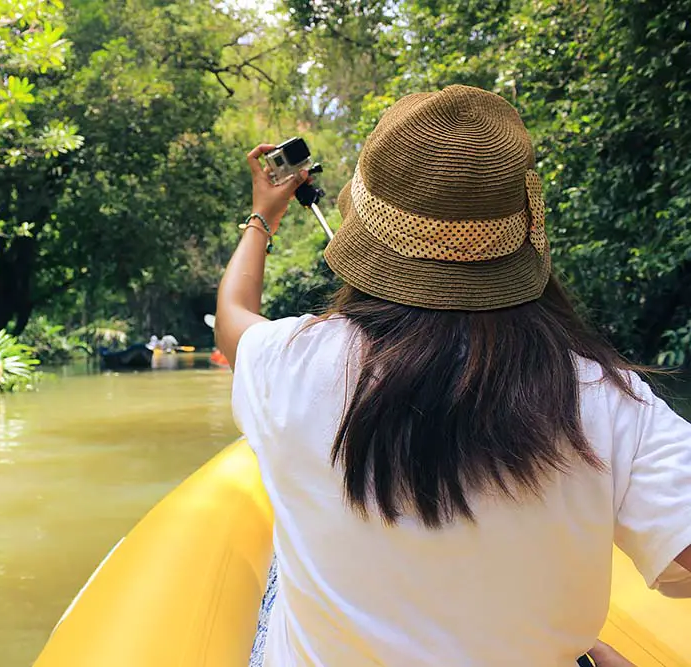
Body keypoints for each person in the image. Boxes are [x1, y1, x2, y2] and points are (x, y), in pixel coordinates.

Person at [215, 85, 691, 667]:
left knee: (277, 569)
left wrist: (262, 216)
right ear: (522, 233)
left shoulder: (288, 360)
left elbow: (233, 317)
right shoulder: (607, 399)